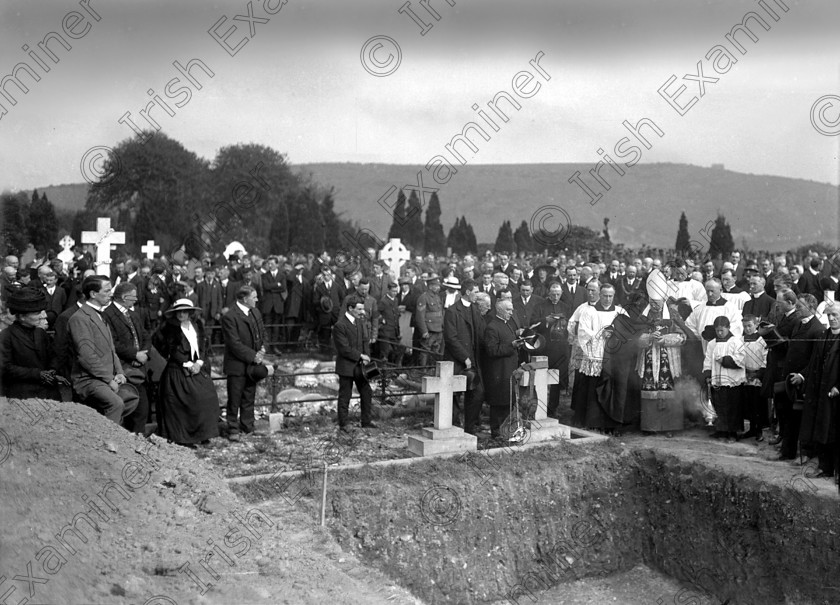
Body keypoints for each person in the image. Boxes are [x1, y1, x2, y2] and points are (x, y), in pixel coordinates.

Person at [68, 275, 139, 425]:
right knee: (116, 403)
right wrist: (109, 379)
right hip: (88, 379)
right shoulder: (80, 318)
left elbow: (112, 350)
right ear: (93, 294)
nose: (110, 294)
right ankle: (108, 444)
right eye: (106, 291)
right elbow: (86, 357)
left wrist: (119, 372)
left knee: (132, 398)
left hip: (105, 377)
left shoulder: (101, 315)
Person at [153, 298, 220, 447]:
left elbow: (203, 346)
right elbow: (173, 350)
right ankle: (184, 438)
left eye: (185, 311)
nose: (181, 314)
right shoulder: (170, 328)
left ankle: (203, 434)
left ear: (190, 313)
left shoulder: (197, 325)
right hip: (178, 369)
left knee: (207, 397)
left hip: (197, 366)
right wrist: (189, 364)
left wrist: (199, 362)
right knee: (183, 402)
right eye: (178, 312)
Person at [221, 285, 273, 441]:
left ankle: (248, 426)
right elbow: (234, 343)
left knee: (249, 396)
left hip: (253, 364)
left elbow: (262, 332)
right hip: (237, 365)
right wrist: (254, 356)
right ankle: (233, 429)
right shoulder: (230, 316)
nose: (257, 299)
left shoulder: (255, 312)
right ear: (245, 299)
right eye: (254, 297)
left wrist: (263, 348)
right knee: (235, 397)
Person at [571, 283, 625, 431]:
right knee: (593, 388)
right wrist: (601, 334)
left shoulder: (620, 312)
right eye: (604, 296)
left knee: (610, 389)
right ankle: (594, 422)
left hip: (614, 357)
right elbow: (583, 332)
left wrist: (614, 334)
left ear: (614, 296)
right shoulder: (589, 311)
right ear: (599, 295)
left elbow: (627, 332)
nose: (607, 299)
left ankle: (609, 423)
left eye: (610, 296)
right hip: (594, 356)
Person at [103, 283, 154, 434]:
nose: (137, 299)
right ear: (124, 297)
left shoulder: (133, 314)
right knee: (124, 409)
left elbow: (146, 336)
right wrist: (134, 355)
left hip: (139, 369)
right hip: (121, 370)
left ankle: (138, 442)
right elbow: (112, 342)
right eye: (134, 296)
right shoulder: (107, 314)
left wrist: (144, 354)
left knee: (142, 410)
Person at [799, 303, 840, 485]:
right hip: (821, 392)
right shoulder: (824, 335)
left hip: (837, 394)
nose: (831, 318)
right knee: (822, 429)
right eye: (829, 315)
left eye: (835, 315)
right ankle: (825, 467)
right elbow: (815, 363)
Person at [0, 287, 65, 400]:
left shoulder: (41, 333)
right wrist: (37, 374)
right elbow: (6, 368)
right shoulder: (6, 336)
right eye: (37, 313)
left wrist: (52, 370)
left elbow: (53, 356)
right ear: (22, 317)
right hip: (22, 395)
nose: (43, 316)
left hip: (48, 391)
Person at [443, 279, 485, 434]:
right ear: (467, 292)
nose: (477, 295)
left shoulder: (475, 309)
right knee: (453, 396)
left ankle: (469, 428)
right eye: (475, 292)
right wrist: (464, 358)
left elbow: (480, 333)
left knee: (477, 393)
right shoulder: (452, 311)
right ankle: (451, 428)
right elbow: (451, 338)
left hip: (474, 361)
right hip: (457, 361)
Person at [481, 299, 524, 439]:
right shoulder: (492, 327)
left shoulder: (507, 324)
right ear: (500, 310)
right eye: (508, 310)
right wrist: (512, 345)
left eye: (511, 310)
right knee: (499, 403)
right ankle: (496, 433)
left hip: (508, 371)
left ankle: (505, 431)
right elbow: (492, 350)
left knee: (507, 402)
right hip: (498, 372)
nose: (511, 313)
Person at [333, 296, 376, 432]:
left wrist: (366, 356)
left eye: (363, 309)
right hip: (346, 366)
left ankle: (366, 421)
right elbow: (344, 348)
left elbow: (364, 341)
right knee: (345, 395)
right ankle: (344, 424)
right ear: (350, 309)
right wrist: (360, 356)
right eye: (359, 309)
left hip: (360, 367)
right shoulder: (340, 325)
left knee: (366, 392)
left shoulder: (359, 322)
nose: (362, 312)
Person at [703, 316, 745, 440]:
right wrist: (708, 375)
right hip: (717, 380)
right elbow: (708, 360)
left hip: (732, 380)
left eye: (722, 330)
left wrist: (725, 360)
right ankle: (721, 430)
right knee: (719, 405)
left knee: (732, 406)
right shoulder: (712, 343)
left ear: (728, 328)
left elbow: (741, 359)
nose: (720, 333)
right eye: (717, 331)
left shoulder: (735, 342)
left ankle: (732, 432)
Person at [740, 314, 767, 441]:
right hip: (745, 374)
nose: (747, 329)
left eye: (750, 326)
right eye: (745, 326)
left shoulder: (762, 340)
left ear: (756, 325)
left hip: (757, 375)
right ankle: (751, 429)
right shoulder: (740, 340)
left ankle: (759, 430)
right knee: (748, 403)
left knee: (758, 404)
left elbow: (765, 357)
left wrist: (758, 373)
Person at [415, 274, 444, 366]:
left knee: (435, 350)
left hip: (438, 330)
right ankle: (422, 369)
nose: (438, 288)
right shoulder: (423, 297)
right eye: (436, 286)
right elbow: (420, 316)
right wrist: (424, 331)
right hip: (429, 330)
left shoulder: (437, 297)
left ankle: (432, 369)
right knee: (425, 350)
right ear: (430, 286)